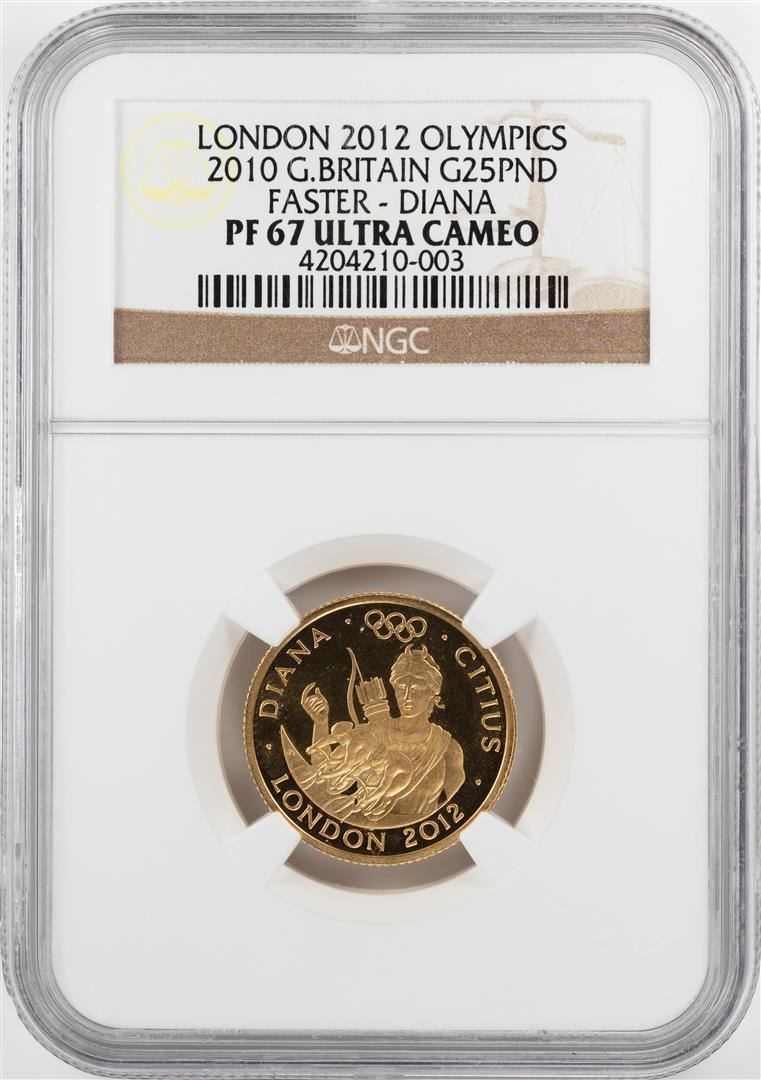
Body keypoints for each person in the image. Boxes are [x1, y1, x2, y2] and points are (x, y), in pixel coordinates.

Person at [296, 644, 465, 826]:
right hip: (366, 832)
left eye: (416, 689)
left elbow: (461, 806)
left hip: (422, 832)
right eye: (401, 688)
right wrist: (320, 723)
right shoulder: (373, 732)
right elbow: (322, 774)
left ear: (433, 694)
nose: (407, 697)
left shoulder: (447, 749)